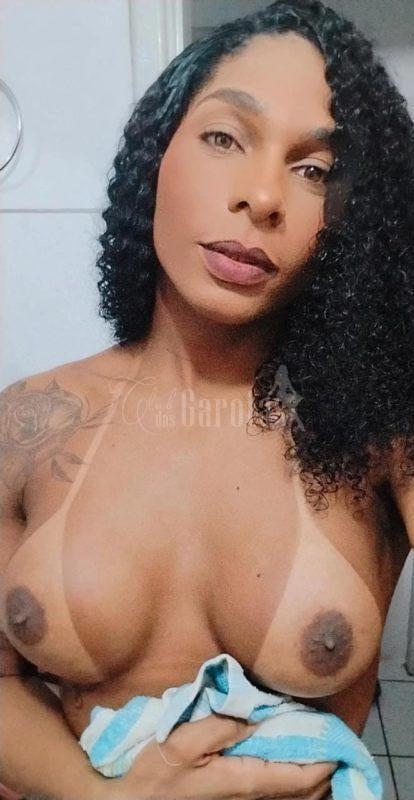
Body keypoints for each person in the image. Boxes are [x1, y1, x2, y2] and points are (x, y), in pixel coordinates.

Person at [1, 0, 414, 798]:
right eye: (225, 137)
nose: (263, 197)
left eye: (314, 170)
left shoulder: (378, 431)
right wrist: (107, 796)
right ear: (157, 155)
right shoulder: (29, 421)